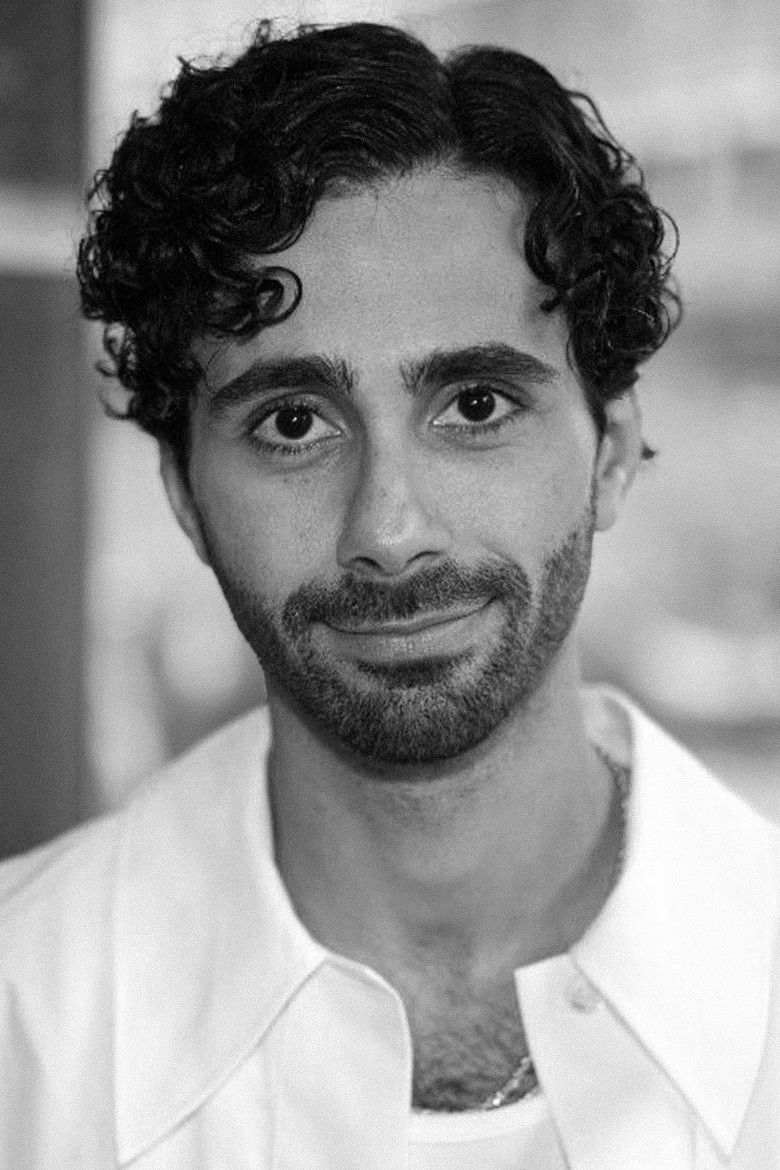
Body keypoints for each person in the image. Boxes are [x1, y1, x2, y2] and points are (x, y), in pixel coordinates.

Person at [1, 20, 778, 1169]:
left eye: (475, 406)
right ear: (183, 493)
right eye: (293, 423)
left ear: (612, 450)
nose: (390, 530)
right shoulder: (23, 1030)